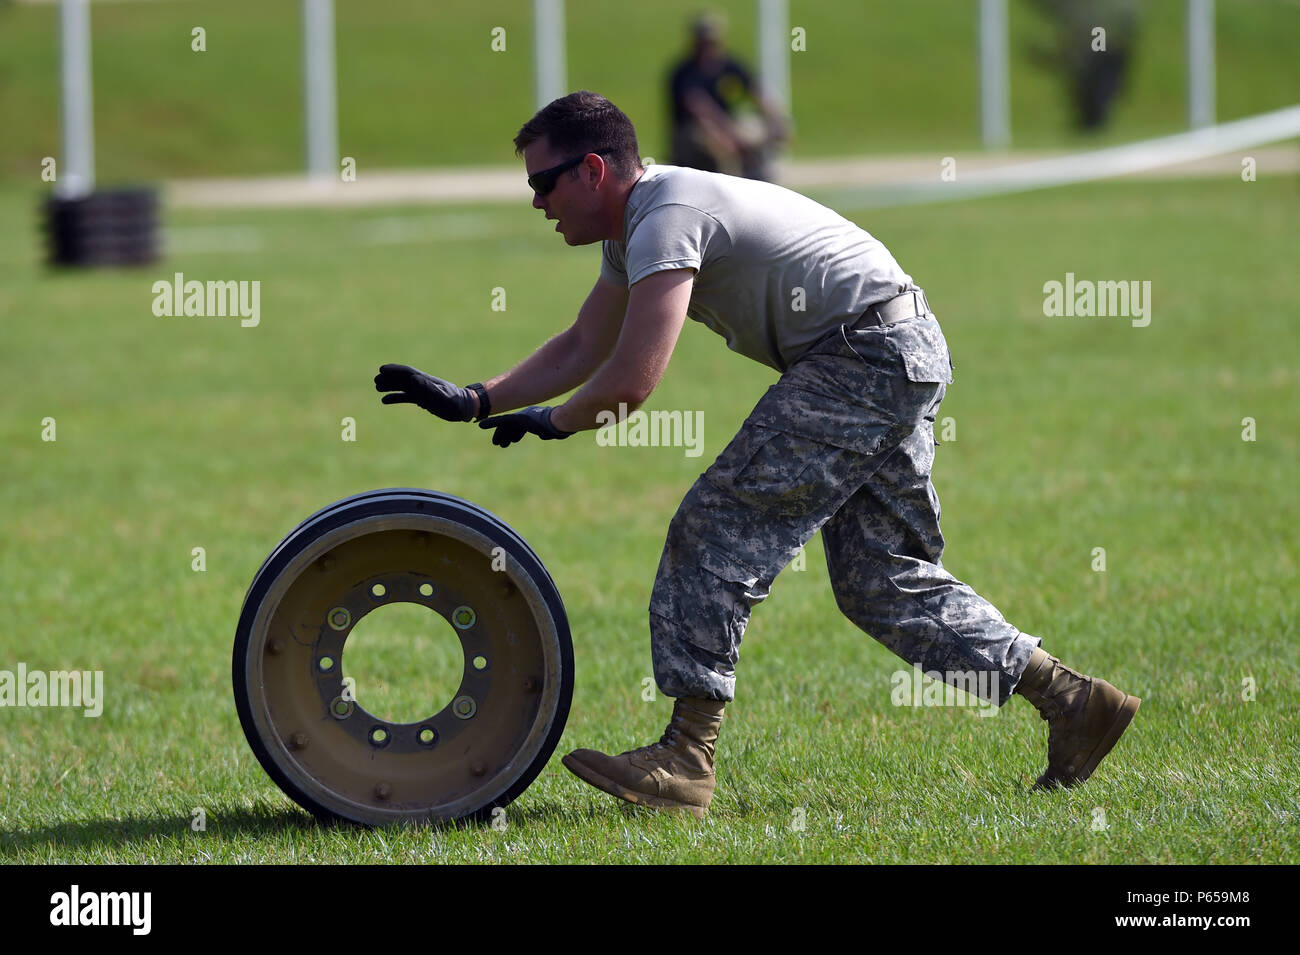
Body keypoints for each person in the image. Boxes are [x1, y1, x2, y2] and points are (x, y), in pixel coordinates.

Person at [374, 91, 1141, 819]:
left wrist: (556, 421)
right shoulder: (636, 226)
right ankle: (1073, 700)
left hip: (865, 353)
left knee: (714, 528)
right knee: (880, 579)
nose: (536, 200)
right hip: (894, 345)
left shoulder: (665, 216)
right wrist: (475, 397)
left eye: (542, 182)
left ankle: (687, 756)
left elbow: (633, 380)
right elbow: (584, 342)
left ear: (593, 170)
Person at [666, 13, 788, 181]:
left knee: (754, 131)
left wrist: (776, 118)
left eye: (712, 43)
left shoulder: (728, 65)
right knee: (714, 145)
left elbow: (756, 90)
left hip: (726, 124)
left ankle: (760, 179)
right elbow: (701, 111)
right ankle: (727, 185)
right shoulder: (684, 73)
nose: (708, 48)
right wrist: (728, 136)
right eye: (704, 43)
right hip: (692, 132)